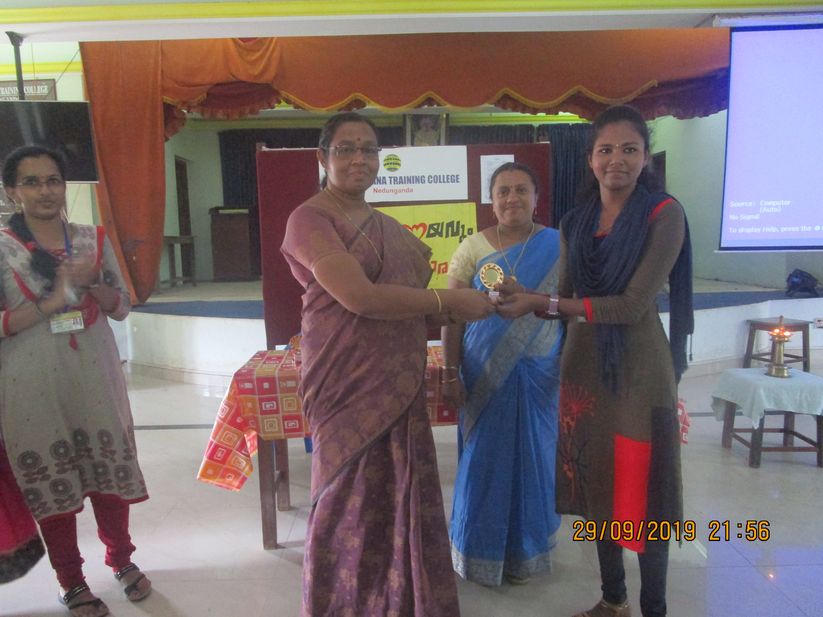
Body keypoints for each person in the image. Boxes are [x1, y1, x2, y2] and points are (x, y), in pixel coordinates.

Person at [280, 111, 495, 617]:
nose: (359, 158)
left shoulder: (388, 228)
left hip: (398, 381)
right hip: (345, 381)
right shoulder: (310, 219)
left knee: (398, 493)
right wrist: (449, 302)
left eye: (369, 149)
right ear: (323, 157)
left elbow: (407, 302)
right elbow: (360, 298)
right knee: (345, 500)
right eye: (346, 148)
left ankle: (402, 599)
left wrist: (473, 306)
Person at [497, 105, 693, 617]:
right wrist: (515, 300)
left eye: (629, 149)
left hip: (638, 372)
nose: (616, 160)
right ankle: (613, 599)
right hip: (583, 368)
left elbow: (628, 306)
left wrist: (542, 302)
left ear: (645, 156)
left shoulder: (663, 214)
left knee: (644, 496)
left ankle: (654, 607)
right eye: (606, 149)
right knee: (596, 485)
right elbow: (565, 302)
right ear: (590, 159)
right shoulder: (576, 221)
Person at [0, 145, 152, 617]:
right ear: (12, 191)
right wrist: (54, 300)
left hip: (94, 373)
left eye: (53, 180)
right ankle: (72, 581)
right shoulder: (2, 246)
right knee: (52, 484)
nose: (45, 190)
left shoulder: (91, 239)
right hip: (29, 383)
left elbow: (122, 306)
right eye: (32, 182)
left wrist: (92, 286)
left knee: (108, 472)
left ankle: (122, 560)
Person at [443, 162, 562, 586]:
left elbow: (571, 307)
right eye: (503, 192)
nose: (512, 198)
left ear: (536, 197)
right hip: (484, 372)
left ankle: (526, 554)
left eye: (521, 190)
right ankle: (478, 553)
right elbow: (453, 315)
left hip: (541, 372)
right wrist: (450, 373)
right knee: (484, 461)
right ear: (491, 201)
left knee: (535, 458)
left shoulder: (559, 245)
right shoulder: (472, 247)